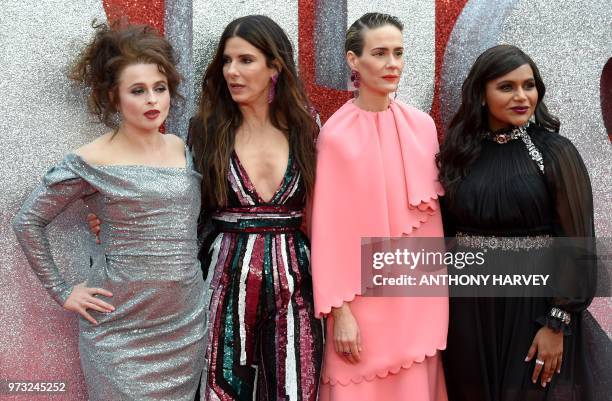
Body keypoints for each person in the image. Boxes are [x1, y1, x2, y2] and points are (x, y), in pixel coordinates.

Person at [12, 22, 206, 401]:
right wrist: (63, 291)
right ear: (113, 97)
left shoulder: (181, 148)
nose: (153, 100)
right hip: (118, 331)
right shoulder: (91, 160)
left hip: (184, 325)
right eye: (138, 91)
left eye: (159, 88)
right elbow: (28, 221)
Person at [437, 44, 605, 401]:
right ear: (481, 94)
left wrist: (557, 322)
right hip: (469, 312)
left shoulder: (554, 152)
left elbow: (577, 244)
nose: (521, 96)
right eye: (506, 87)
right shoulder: (459, 154)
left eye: (529, 85)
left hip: (535, 311)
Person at [311, 13, 448, 401]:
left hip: (417, 303)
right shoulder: (334, 136)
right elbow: (327, 235)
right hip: (359, 311)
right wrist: (340, 314)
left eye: (399, 53)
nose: (392, 63)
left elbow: (430, 230)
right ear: (354, 61)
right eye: (380, 53)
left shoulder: (423, 128)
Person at [188, 15, 323, 401]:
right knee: (221, 388)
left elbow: (335, 206)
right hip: (223, 277)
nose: (232, 71)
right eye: (227, 61)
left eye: (245, 60)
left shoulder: (307, 128)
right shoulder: (205, 130)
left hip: (298, 280)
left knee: (298, 387)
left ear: (274, 66)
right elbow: (180, 203)